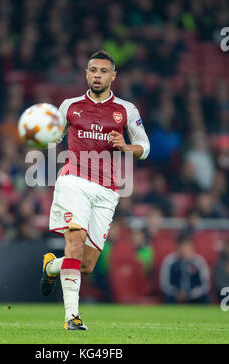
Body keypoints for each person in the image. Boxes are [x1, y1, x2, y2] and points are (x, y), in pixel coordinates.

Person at [40, 50, 150, 330]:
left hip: (107, 190)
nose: (97, 75)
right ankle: (71, 318)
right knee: (74, 242)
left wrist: (126, 147)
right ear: (86, 74)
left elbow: (144, 147)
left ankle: (52, 266)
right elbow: (54, 136)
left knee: (86, 264)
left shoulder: (126, 110)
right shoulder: (70, 106)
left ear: (113, 76)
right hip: (73, 180)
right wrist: (43, 134)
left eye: (103, 71)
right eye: (92, 70)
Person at [159, 235, 210, 304]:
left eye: (187, 246)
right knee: (168, 299)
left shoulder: (199, 262)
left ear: (192, 247)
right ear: (178, 247)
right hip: (174, 296)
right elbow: (164, 283)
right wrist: (176, 293)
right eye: (183, 247)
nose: (185, 249)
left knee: (204, 299)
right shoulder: (169, 261)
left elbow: (205, 284)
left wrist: (191, 293)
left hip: (195, 297)